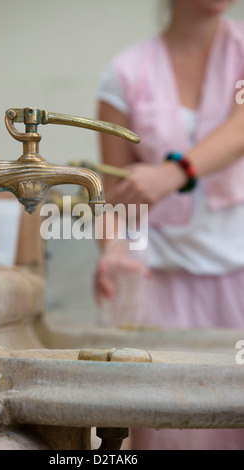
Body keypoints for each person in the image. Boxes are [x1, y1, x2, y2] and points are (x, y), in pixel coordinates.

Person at [95, 0, 244, 450]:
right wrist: (113, 253)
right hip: (160, 282)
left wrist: (175, 172)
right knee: (172, 432)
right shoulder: (125, 74)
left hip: (239, 277)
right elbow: (114, 190)